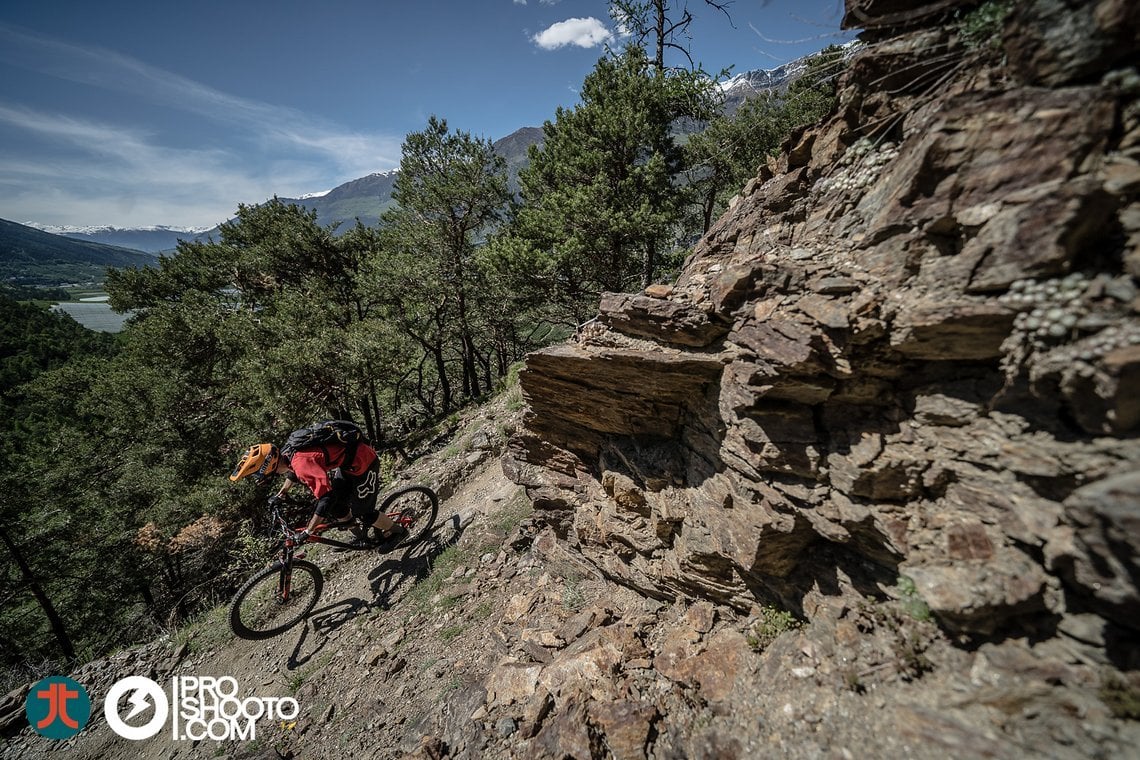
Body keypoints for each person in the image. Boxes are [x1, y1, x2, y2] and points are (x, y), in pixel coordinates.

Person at [229, 439, 406, 549]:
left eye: (260, 473)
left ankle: (399, 532)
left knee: (364, 513)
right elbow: (292, 473)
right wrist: (280, 494)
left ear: (269, 467)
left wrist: (308, 531)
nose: (261, 477)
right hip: (347, 465)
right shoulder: (288, 453)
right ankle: (362, 539)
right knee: (338, 507)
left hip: (364, 464)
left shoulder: (301, 464)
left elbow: (325, 498)